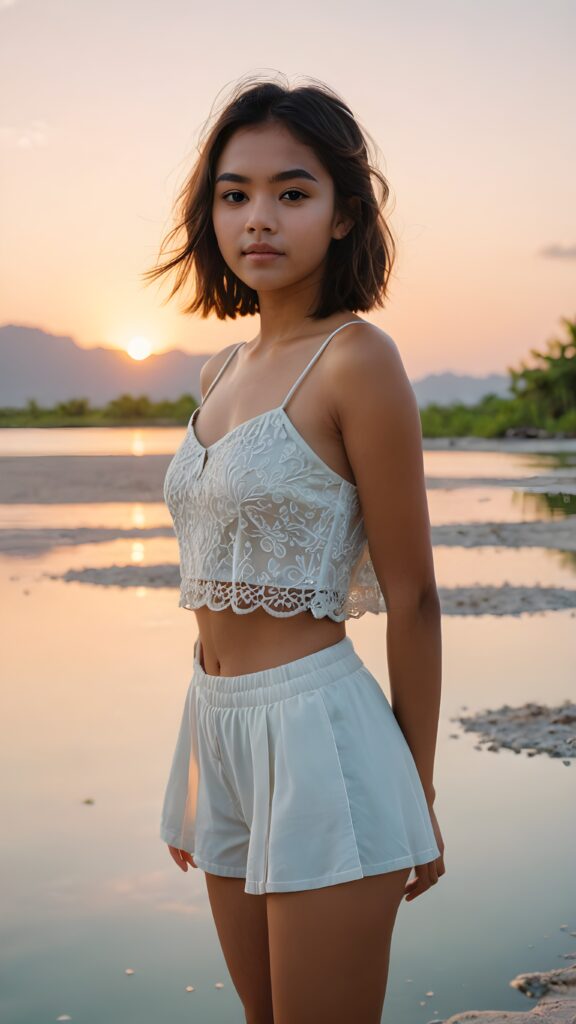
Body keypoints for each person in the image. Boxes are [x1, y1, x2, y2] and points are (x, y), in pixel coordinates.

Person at [143, 71, 445, 1024]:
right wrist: (202, 752)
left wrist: (418, 788)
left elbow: (415, 597)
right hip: (219, 723)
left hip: (320, 736)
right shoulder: (220, 366)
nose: (258, 219)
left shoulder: (358, 359)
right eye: (235, 194)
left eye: (293, 192)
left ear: (345, 215)